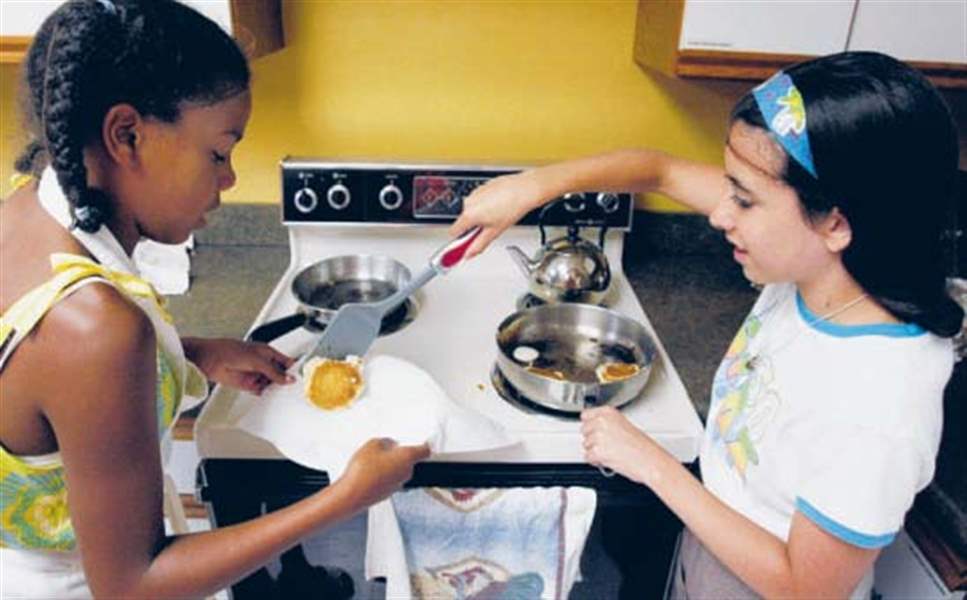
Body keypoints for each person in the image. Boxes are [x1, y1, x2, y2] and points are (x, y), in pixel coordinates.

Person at [450, 51, 963, 599]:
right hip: (713, 547)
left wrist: (653, 464)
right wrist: (531, 187)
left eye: (744, 200)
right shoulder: (816, 271)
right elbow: (661, 170)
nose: (720, 214)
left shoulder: (878, 402)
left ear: (836, 223)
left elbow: (804, 588)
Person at [0, 1, 428, 597]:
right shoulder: (97, 329)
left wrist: (193, 355)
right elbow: (133, 586)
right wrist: (346, 498)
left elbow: (42, 394)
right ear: (127, 135)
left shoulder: (24, 211)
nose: (228, 178)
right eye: (219, 153)